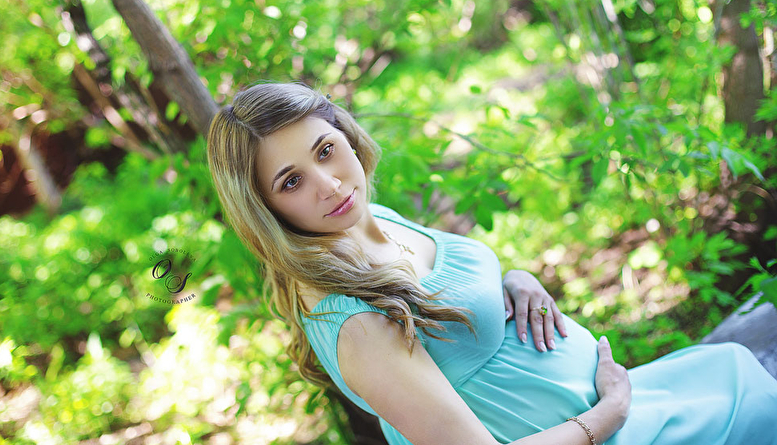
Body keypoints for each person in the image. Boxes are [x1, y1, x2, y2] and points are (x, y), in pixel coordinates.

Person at [206, 81, 777, 445]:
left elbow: (446, 303)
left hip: (609, 413)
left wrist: (512, 281)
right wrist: (610, 412)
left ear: (346, 136)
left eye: (326, 150)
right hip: (601, 429)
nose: (329, 185)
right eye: (291, 182)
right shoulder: (353, 324)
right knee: (749, 401)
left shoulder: (364, 217)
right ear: (264, 209)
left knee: (736, 380)